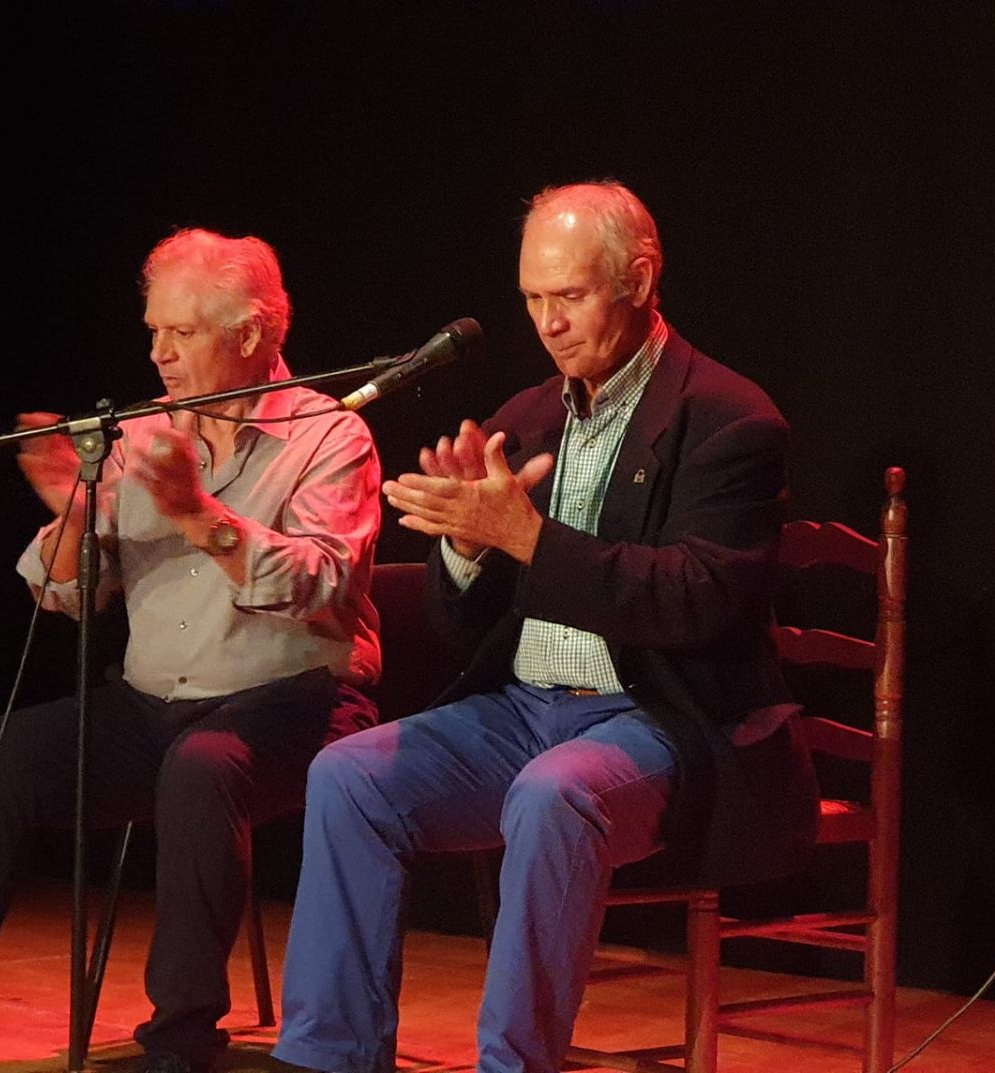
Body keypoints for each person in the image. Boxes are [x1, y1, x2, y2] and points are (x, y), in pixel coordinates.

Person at [270, 181, 817, 1073]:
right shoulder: (525, 419)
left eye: (570, 296)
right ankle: (327, 1057)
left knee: (553, 792)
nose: (548, 323)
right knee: (348, 776)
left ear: (640, 280)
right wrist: (465, 548)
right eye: (533, 298)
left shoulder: (728, 419)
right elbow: (457, 628)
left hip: (660, 719)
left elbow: (699, 597)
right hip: (522, 709)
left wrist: (525, 536)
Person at [0, 229, 384, 1073]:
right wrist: (71, 505)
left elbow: (324, 584)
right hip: (151, 708)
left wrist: (197, 514)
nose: (158, 354)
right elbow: (62, 595)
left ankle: (179, 1043)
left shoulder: (328, 437)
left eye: (181, 333)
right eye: (152, 331)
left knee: (203, 766)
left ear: (249, 335)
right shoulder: (139, 434)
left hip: (294, 705)